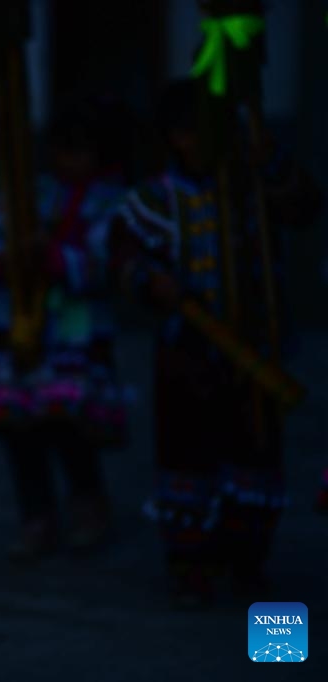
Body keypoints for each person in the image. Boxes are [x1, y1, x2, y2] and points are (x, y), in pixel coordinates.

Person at [107, 80, 320, 605]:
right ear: (173, 137)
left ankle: (247, 561)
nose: (198, 142)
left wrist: (268, 157)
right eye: (187, 132)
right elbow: (124, 257)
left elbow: (306, 206)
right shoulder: (154, 199)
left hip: (256, 346)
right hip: (188, 355)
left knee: (254, 451)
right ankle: (190, 564)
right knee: (189, 455)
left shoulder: (255, 187)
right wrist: (149, 279)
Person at [0, 103, 129, 560]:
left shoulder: (112, 202)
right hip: (18, 325)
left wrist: (53, 258)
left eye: (81, 150)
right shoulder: (27, 193)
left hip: (74, 333)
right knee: (19, 425)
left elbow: (109, 260)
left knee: (70, 423)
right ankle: (37, 514)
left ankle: (88, 503)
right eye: (62, 149)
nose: (70, 160)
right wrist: (9, 256)